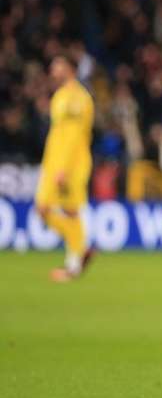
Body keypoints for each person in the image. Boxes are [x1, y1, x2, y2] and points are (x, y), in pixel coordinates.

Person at [35, 55, 96, 282]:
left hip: (69, 166)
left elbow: (74, 138)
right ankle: (80, 250)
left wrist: (64, 168)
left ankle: (74, 264)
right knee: (46, 210)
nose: (52, 69)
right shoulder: (61, 96)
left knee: (64, 210)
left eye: (57, 65)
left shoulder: (77, 98)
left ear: (69, 68)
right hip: (54, 164)